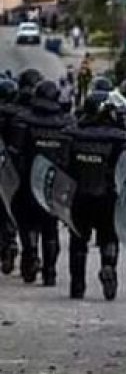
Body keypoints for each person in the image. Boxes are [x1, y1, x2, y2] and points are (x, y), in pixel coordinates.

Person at [64, 91, 126, 301]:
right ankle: (108, 265)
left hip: (79, 198)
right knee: (109, 237)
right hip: (108, 198)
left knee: (78, 240)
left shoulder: (72, 134)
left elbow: (62, 166)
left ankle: (77, 285)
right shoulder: (119, 139)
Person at [11, 78, 75, 286]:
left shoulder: (23, 120)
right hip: (53, 185)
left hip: (26, 182)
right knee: (50, 227)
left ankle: (29, 254)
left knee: (27, 223)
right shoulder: (67, 123)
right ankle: (50, 272)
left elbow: (15, 152)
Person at [0, 78, 21, 275]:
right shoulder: (21, 117)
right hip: (12, 172)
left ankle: (6, 246)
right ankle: (9, 243)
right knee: (7, 209)